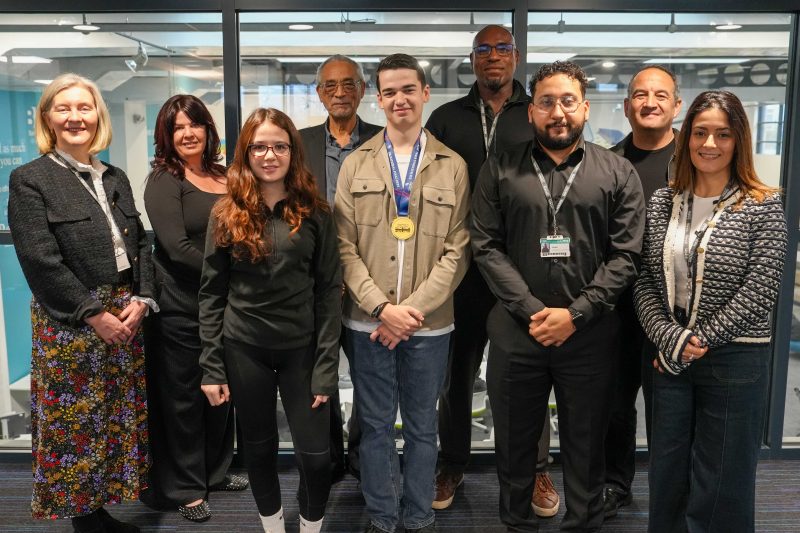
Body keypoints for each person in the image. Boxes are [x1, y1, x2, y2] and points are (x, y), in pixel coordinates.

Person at [470, 61, 644, 531]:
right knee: (514, 442)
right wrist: (532, 311)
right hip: (516, 334)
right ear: (531, 112)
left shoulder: (617, 172)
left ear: (585, 108)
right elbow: (485, 246)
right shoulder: (500, 168)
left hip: (589, 337)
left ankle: (583, 523)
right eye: (546, 102)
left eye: (568, 101)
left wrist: (576, 314)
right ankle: (516, 523)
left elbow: (625, 257)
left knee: (587, 446)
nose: (558, 112)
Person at [8, 73, 157, 533]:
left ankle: (101, 508)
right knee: (76, 424)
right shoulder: (30, 179)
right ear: (47, 118)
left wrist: (144, 298)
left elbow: (141, 246)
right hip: (71, 319)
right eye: (64, 108)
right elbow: (40, 259)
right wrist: (93, 314)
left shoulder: (114, 176)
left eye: (84, 108)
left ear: (98, 116)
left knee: (113, 415)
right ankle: (84, 519)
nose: (76, 117)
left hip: (124, 310)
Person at [634, 90, 788, 533]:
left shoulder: (762, 203)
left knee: (723, 477)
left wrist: (699, 339)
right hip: (670, 358)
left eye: (723, 134)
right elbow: (644, 280)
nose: (710, 143)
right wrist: (672, 339)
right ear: (686, 139)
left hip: (735, 360)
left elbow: (761, 289)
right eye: (700, 132)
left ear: (739, 140)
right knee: (667, 471)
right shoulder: (665, 201)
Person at [425, 24, 559, 517]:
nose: (494, 57)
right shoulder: (444, 119)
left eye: (503, 49)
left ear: (516, 57)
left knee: (528, 373)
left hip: (522, 270)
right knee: (455, 375)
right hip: (461, 272)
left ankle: (538, 466)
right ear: (473, 59)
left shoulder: (538, 113)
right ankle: (452, 463)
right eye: (484, 50)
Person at [334, 53, 470, 533]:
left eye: (408, 89)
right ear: (378, 97)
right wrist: (380, 308)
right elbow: (343, 246)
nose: (399, 99)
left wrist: (408, 311)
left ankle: (417, 518)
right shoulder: (356, 164)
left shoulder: (452, 166)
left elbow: (458, 250)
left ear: (425, 93)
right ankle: (382, 518)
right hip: (367, 324)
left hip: (429, 326)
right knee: (372, 430)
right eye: (389, 91)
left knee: (421, 429)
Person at [199, 107, 341, 533]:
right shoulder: (225, 213)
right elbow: (211, 294)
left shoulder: (316, 213)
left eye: (279, 146)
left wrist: (326, 368)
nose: (269, 154)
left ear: (292, 152)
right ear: (246, 154)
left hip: (302, 350)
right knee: (258, 452)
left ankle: (311, 526)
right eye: (259, 146)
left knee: (317, 459)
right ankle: (274, 527)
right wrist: (211, 366)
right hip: (245, 350)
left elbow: (329, 291)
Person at [142, 94, 247, 522]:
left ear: (208, 130)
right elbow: (176, 248)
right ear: (166, 136)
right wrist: (233, 272)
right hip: (181, 307)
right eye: (177, 127)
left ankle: (216, 469)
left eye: (195, 124)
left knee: (222, 390)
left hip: (226, 306)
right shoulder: (165, 180)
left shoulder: (225, 175)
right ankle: (185, 485)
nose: (187, 133)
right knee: (184, 398)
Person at [603, 65, 682, 518]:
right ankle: (615, 484)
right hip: (615, 307)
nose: (648, 102)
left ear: (676, 105)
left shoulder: (694, 162)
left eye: (659, 94)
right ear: (628, 104)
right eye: (639, 94)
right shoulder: (609, 161)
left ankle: (670, 494)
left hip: (671, 311)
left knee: (667, 409)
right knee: (613, 405)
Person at [299, 55, 382, 482]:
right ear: (319, 93)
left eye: (348, 84)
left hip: (369, 280)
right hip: (314, 283)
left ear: (363, 90)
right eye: (330, 86)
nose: (339, 92)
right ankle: (328, 459)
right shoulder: (299, 144)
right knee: (321, 378)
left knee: (371, 380)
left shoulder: (384, 141)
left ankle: (361, 455)